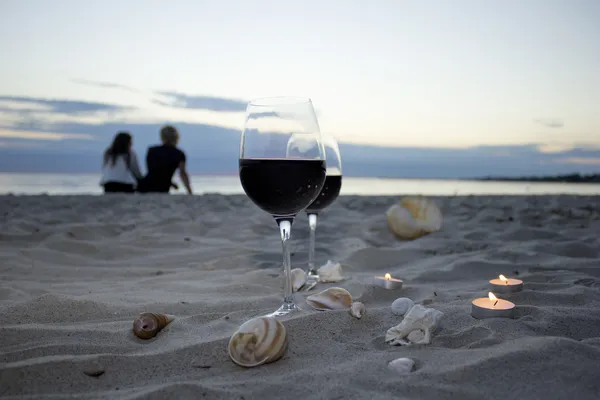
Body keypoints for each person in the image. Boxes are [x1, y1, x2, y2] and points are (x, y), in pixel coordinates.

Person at [137, 125, 193, 194]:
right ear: (177, 137)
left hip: (145, 186)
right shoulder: (179, 154)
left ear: (162, 137)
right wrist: (189, 191)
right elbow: (182, 173)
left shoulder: (152, 150)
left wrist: (170, 183)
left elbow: (154, 172)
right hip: (162, 188)